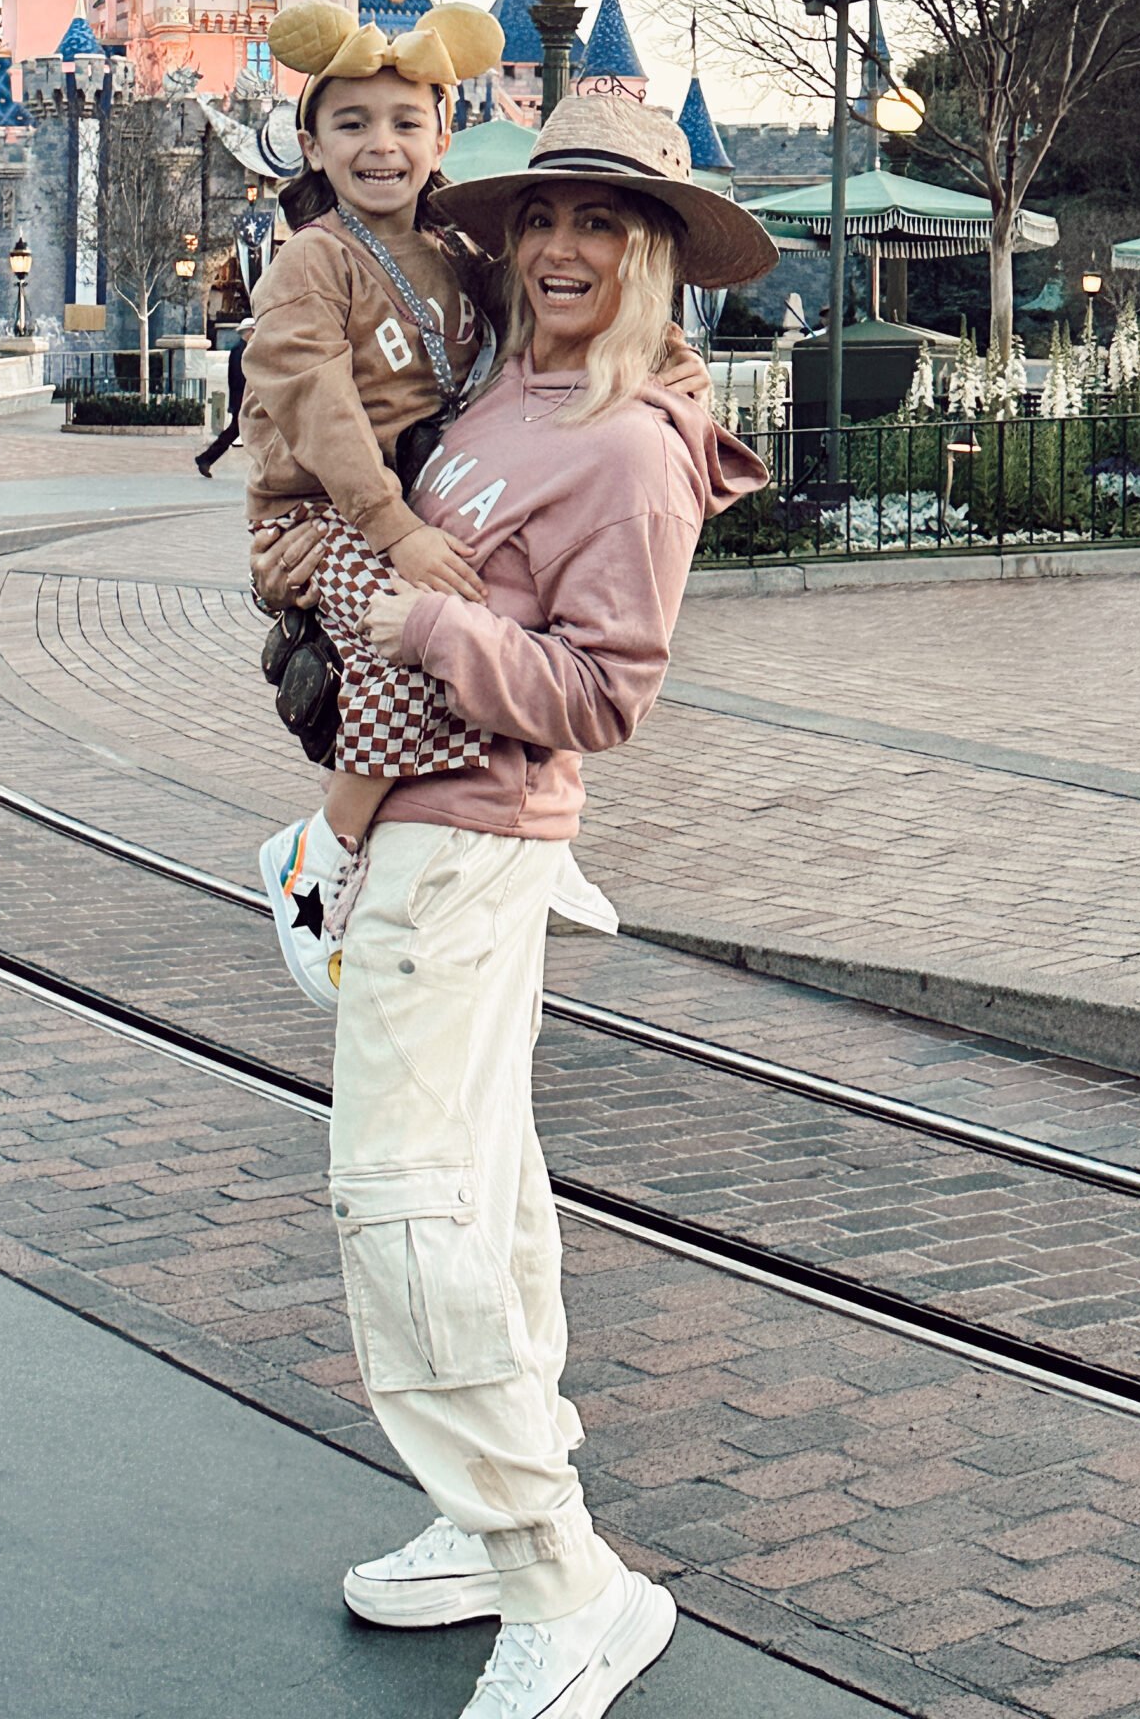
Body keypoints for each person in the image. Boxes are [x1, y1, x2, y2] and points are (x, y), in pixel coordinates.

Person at [251, 95, 774, 1719]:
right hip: (412, 831)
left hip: (473, 838)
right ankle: (496, 1530)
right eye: (540, 217)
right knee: (480, 1185)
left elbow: (604, 695)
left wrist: (411, 624)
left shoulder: (625, 449)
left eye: (600, 225)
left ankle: (564, 1580)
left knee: (403, 1207)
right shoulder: (507, 397)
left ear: (659, 258)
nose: (558, 247)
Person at [238, 0, 510, 1000]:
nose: (380, 145)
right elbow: (320, 407)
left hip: (420, 508)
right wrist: (394, 533)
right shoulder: (315, 261)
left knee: (509, 634)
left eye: (405, 122)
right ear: (310, 142)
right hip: (324, 515)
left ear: (445, 134)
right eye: (351, 123)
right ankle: (319, 854)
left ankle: (521, 833)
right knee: (409, 645)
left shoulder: (460, 250)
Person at [192, 331, 247, 477]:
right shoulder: (242, 350)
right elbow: (240, 379)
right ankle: (205, 459)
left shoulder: (242, 349)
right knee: (235, 431)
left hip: (244, 400)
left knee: (236, 432)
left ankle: (206, 459)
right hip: (244, 400)